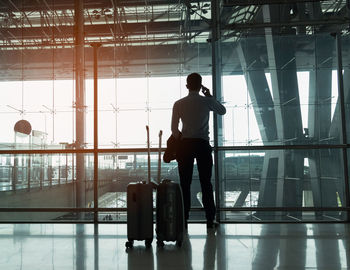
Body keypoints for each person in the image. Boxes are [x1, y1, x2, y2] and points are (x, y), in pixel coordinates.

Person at [171, 73, 226, 229]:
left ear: (187, 85)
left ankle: (184, 218)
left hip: (185, 145)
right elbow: (222, 111)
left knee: (185, 183)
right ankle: (210, 219)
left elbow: (174, 129)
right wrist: (210, 96)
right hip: (202, 144)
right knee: (206, 183)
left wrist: (181, 138)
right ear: (200, 86)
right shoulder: (206, 102)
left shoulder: (179, 103)